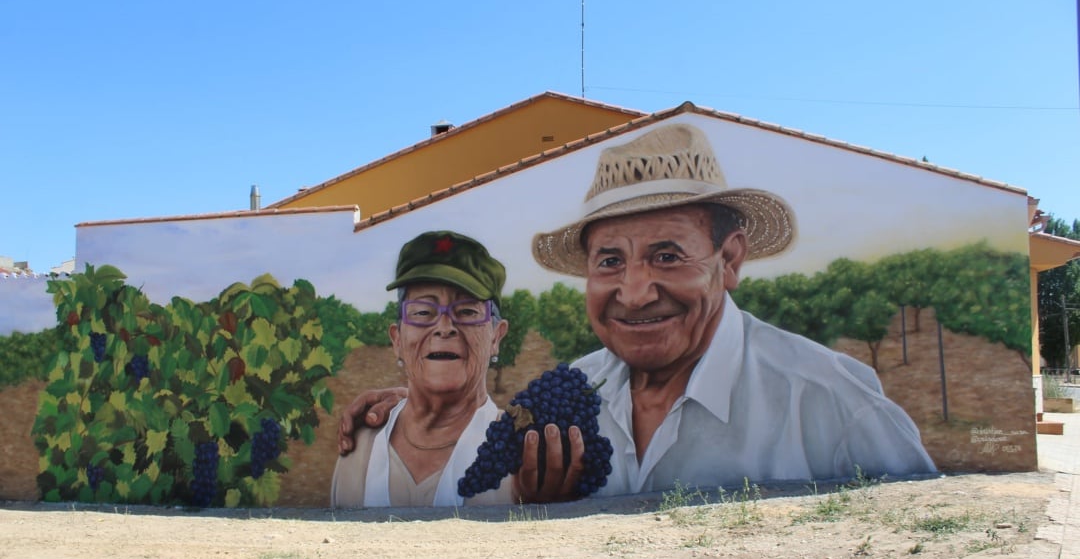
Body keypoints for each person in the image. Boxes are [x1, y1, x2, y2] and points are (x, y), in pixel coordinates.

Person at [341, 124, 936, 498]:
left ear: (729, 260)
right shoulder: (575, 390)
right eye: (608, 262)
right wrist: (410, 400)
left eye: (667, 255)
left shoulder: (832, 405)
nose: (633, 291)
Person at [332, 230, 583, 507]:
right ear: (397, 340)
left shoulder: (524, 455)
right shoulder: (361, 448)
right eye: (423, 312)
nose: (444, 327)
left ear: (496, 337)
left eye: (467, 312)